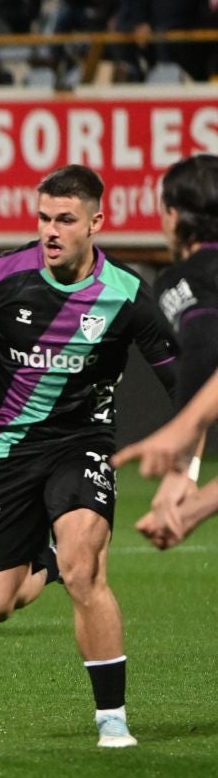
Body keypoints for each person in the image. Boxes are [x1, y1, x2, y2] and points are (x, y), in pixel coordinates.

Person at [0, 165, 178, 749]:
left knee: (86, 568)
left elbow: (180, 378)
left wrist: (188, 448)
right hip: (5, 449)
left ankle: (112, 719)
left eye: (66, 220)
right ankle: (48, 558)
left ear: (96, 223)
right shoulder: (1, 276)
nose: (51, 231)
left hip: (82, 443)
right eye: (44, 218)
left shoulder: (126, 295)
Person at [113, 153, 218, 548]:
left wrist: (177, 441)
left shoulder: (188, 278)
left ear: (173, 216)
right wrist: (190, 503)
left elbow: (207, 350)